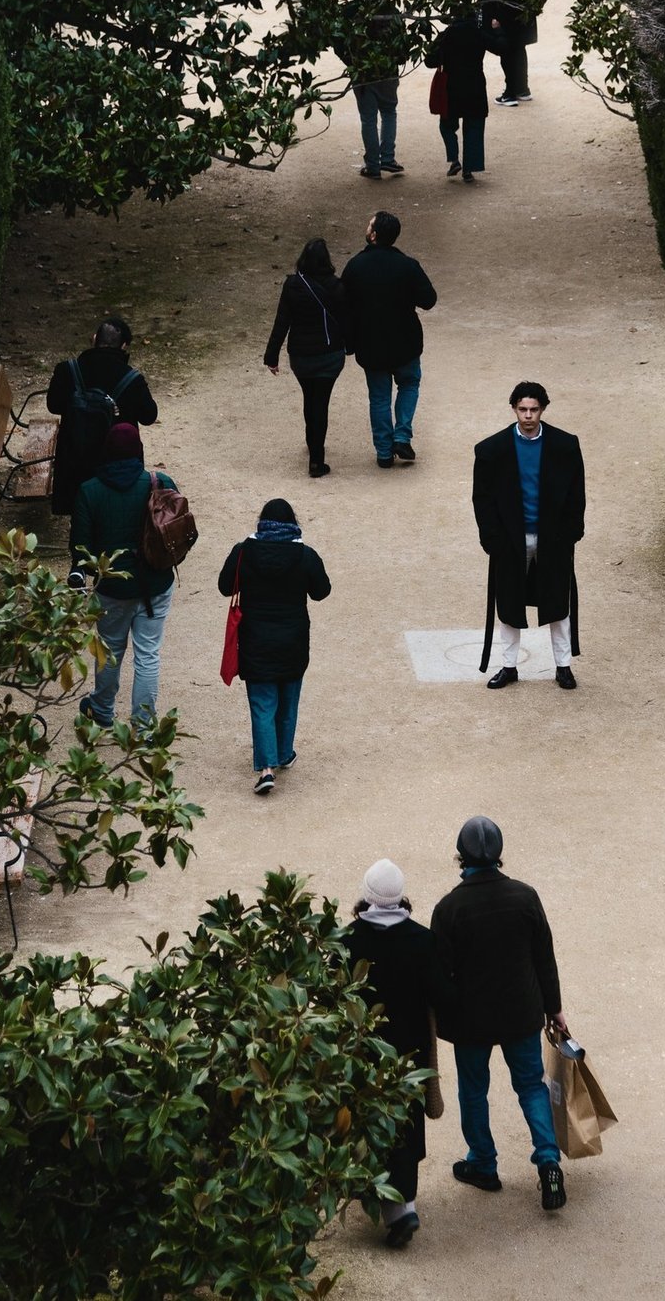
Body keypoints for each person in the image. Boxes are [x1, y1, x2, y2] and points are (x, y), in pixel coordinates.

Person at [430, 815, 568, 1212]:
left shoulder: (449, 908)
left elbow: (440, 973)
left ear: (461, 856)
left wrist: (443, 1019)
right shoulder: (525, 897)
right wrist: (554, 1008)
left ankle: (483, 1164)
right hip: (521, 1012)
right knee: (531, 1087)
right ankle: (549, 1162)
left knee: (474, 1091)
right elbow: (544, 958)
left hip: (471, 1021)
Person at [344, 858, 455, 1249]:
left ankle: (385, 1203)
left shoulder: (347, 940)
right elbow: (443, 995)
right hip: (409, 1052)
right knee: (405, 1128)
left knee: (362, 1122)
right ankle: (403, 1204)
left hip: (360, 1050)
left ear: (366, 895)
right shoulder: (422, 940)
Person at [473, 381, 585, 690]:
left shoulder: (565, 446)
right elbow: (482, 499)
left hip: (553, 539)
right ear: (514, 409)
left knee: (558, 603)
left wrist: (571, 533)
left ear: (543, 409)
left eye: (534, 409)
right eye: (522, 409)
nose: (528, 415)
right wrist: (492, 539)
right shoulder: (491, 450)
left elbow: (576, 493)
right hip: (511, 541)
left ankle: (563, 666)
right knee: (509, 604)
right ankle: (509, 666)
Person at [216, 498, 331, 796]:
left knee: (262, 704)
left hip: (255, 641)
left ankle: (266, 768)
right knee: (288, 701)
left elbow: (225, 586)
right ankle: (284, 753)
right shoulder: (305, 555)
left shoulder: (243, 552)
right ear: (293, 523)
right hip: (293, 641)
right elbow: (322, 591)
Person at [70, 422, 176, 728]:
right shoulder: (160, 482)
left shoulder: (90, 491)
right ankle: (143, 726)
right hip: (155, 583)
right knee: (148, 655)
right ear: (138, 450)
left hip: (112, 588)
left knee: (110, 651)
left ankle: (102, 711)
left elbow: (81, 548)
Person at [339, 211, 437, 468]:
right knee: (409, 384)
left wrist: (349, 340)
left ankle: (384, 452)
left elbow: (342, 305)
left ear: (373, 235)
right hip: (405, 342)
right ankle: (402, 436)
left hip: (371, 343)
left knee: (379, 397)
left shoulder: (355, 266)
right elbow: (429, 300)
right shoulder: (408, 265)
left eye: (369, 224)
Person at [47, 316, 158, 515]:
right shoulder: (132, 379)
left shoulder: (67, 370)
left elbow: (53, 406)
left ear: (94, 339)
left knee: (81, 518)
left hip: (74, 462)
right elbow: (149, 416)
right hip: (116, 465)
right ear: (123, 346)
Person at [263, 239, 351, 477]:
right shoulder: (337, 286)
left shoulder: (293, 285)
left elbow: (282, 322)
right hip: (330, 354)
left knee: (309, 398)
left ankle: (312, 443)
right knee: (320, 403)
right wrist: (351, 346)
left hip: (301, 356)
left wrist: (271, 355)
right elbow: (346, 320)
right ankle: (316, 459)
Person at [423, 6, 505, 183]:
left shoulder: (447, 34)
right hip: (475, 85)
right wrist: (497, 29)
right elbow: (501, 47)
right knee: (474, 126)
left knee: (447, 125)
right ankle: (469, 169)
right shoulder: (479, 33)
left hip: (451, 86)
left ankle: (454, 159)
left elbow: (429, 61)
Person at [337, 0, 407, 180]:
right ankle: (387, 158)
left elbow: (338, 37)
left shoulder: (355, 11)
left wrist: (351, 61)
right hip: (388, 73)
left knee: (369, 119)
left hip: (363, 74)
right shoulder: (393, 13)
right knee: (388, 113)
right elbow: (403, 48)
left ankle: (373, 166)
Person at [480, 0, 552, 106]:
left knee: (507, 51)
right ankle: (522, 89)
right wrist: (536, 6)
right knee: (518, 48)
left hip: (506, 9)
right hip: (525, 10)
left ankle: (510, 93)